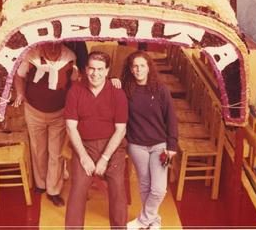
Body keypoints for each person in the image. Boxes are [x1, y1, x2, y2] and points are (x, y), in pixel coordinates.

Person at [64, 51, 128, 229]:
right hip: (84, 146)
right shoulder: (75, 91)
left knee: (117, 186)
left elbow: (120, 130)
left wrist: (105, 158)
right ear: (85, 69)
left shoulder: (117, 93)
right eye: (91, 68)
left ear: (107, 71)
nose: (95, 73)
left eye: (100, 69)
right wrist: (84, 157)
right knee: (77, 188)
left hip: (112, 147)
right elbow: (71, 127)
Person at [14, 42, 78, 206]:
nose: (53, 49)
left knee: (56, 152)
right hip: (34, 112)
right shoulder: (31, 55)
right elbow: (19, 76)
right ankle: (41, 184)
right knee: (38, 149)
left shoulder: (69, 57)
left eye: (57, 46)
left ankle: (53, 190)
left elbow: (74, 82)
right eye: (49, 46)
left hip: (59, 114)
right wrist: (20, 93)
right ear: (42, 45)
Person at [121, 51, 178, 230]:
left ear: (149, 67)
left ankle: (143, 220)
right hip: (137, 145)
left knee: (159, 189)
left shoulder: (161, 89)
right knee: (145, 186)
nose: (138, 69)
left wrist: (172, 145)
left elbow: (171, 118)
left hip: (160, 146)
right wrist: (114, 79)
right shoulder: (125, 90)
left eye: (142, 66)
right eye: (135, 66)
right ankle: (154, 222)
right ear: (130, 69)